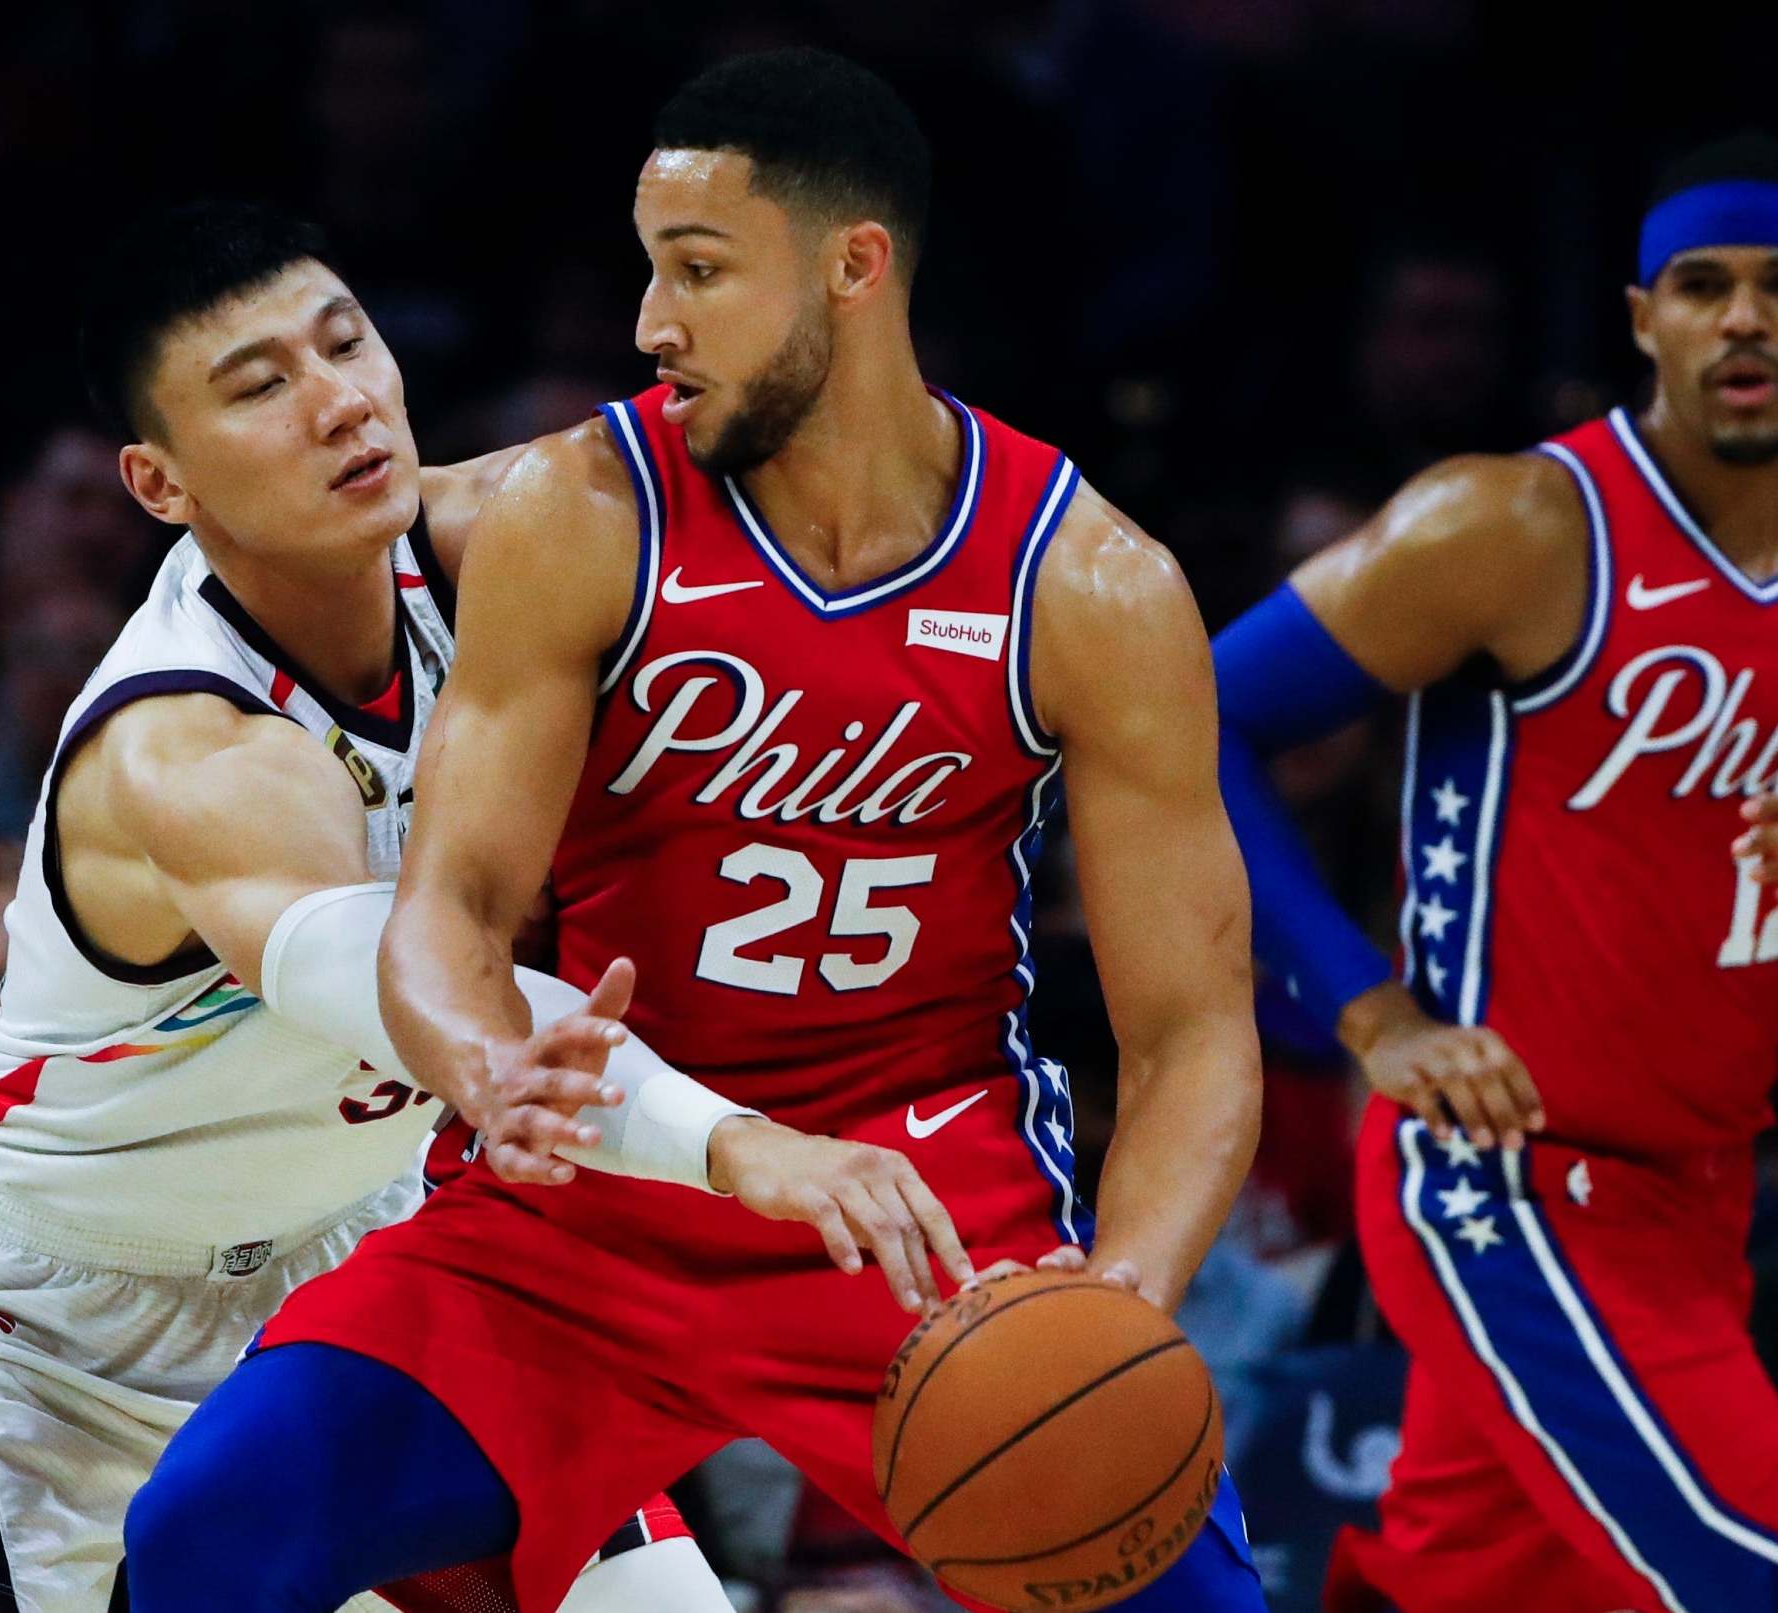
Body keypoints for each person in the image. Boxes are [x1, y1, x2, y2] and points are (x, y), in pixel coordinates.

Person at [126, 50, 1266, 1613]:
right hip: (602, 1179)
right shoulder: (579, 512)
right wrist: (486, 1063)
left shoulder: (1089, 588)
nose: (651, 322)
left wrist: (1114, 1302)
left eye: (698, 271)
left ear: (853, 269)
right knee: (209, 1528)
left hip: (913, 1200)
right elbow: (451, 903)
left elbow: (1194, 1035)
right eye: (648, 269)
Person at [0, 201, 744, 1613]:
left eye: (345, 344)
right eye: (260, 387)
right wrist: (698, 1133)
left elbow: (728, 443)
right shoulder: (182, 746)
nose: (339, 404)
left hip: (358, 1260)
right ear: (159, 481)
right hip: (52, 1331)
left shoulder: (496, 540)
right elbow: (378, 972)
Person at [1213, 132, 1778, 1613]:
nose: (1741, 320)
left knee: (1468, 1590)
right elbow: (1183, 725)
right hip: (1509, 1182)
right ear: (1638, 315)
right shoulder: (1519, 527)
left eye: (1775, 288)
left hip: (1700, 1190)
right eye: (1701, 285)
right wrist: (1364, 1009)